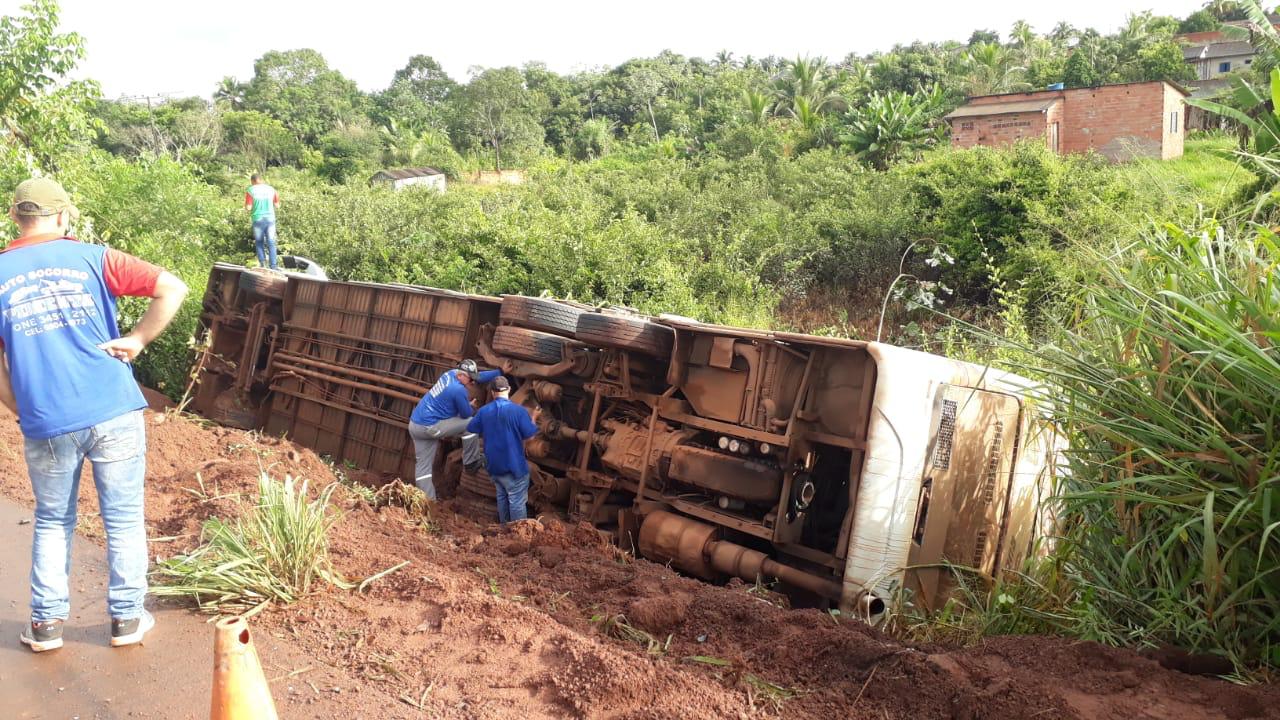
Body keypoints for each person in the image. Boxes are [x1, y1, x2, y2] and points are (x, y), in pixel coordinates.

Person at [0, 177, 189, 652]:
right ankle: (126, 620)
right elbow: (172, 287)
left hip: (47, 419)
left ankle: (46, 626)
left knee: (52, 520)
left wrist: (20, 406)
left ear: (15, 219)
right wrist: (139, 339)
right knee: (123, 518)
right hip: (112, 408)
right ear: (63, 217)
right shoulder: (95, 257)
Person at [407, 359, 501, 500]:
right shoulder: (458, 390)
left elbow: (479, 377)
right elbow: (466, 414)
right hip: (430, 427)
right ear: (461, 376)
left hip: (415, 425)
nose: (473, 382)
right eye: (470, 379)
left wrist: (501, 371)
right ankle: (471, 462)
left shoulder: (450, 374)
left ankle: (428, 503)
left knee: (423, 469)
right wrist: (472, 406)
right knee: (470, 423)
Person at [466, 375, 539, 524]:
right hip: (513, 467)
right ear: (509, 389)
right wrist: (535, 418)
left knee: (502, 496)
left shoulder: (484, 411)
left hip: (494, 466)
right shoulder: (519, 412)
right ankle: (518, 535)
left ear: (492, 392)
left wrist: (474, 411)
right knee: (516, 501)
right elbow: (530, 436)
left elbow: (472, 428)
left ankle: (504, 530)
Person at [244, 173, 280, 270]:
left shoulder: (250, 190)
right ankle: (273, 266)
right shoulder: (271, 189)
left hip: (258, 219)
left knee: (259, 242)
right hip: (270, 219)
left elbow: (248, 207)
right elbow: (277, 205)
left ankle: (263, 264)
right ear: (261, 180)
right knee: (271, 242)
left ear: (253, 181)